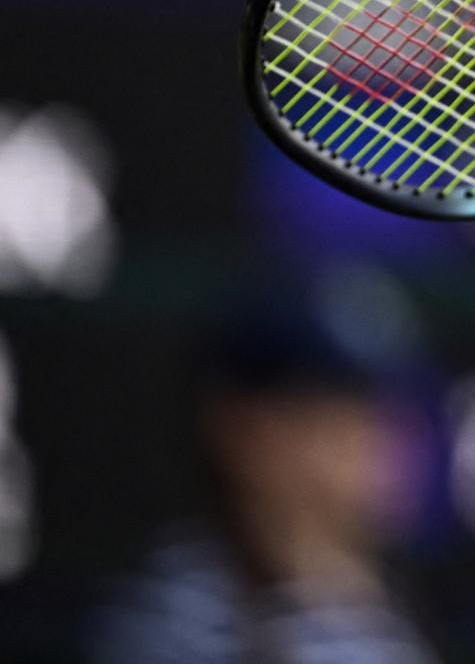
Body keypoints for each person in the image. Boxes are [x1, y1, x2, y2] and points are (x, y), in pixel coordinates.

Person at [85, 274, 437, 664]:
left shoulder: (374, 609)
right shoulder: (182, 619)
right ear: (245, 428)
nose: (384, 440)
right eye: (340, 413)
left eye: (390, 412)